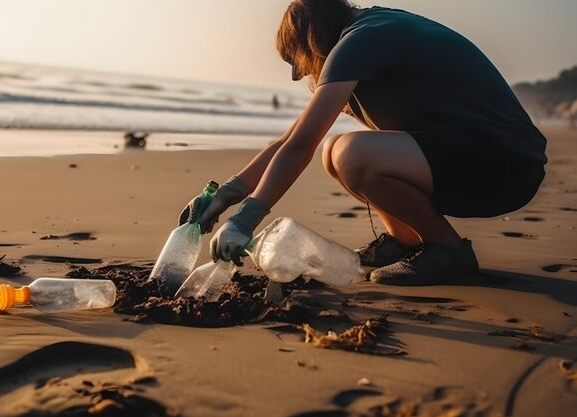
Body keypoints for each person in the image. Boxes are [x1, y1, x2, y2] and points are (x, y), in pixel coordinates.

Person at [179, 0, 547, 285]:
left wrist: (246, 220)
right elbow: (291, 139)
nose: (296, 74)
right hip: (481, 156)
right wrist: (225, 195)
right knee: (337, 153)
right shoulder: (368, 30)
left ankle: (449, 251)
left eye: (293, 57)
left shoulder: (361, 39)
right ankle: (404, 241)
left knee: (351, 153)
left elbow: (300, 145)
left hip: (503, 163)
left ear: (311, 37)